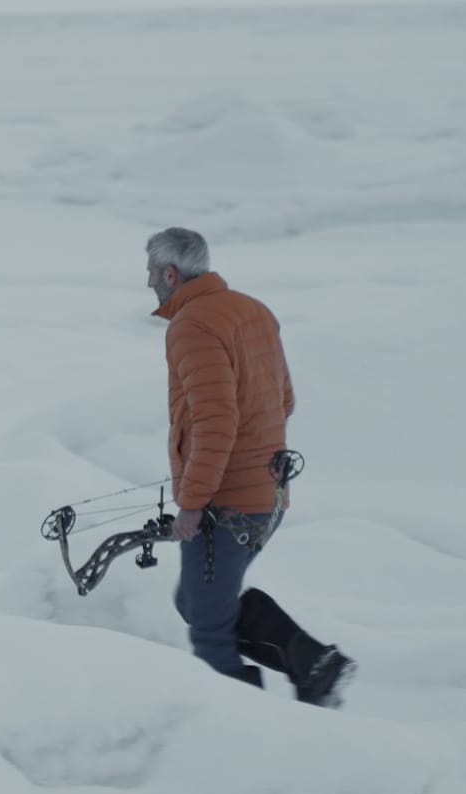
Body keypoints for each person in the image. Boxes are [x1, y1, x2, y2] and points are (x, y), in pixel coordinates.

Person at [147, 227, 354, 707]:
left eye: (151, 273)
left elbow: (215, 420)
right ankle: (313, 664)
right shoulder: (252, 309)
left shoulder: (193, 326)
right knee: (196, 604)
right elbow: (285, 401)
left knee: (208, 630)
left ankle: (244, 731)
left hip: (228, 506)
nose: (149, 282)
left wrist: (194, 503)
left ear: (170, 273)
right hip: (269, 496)